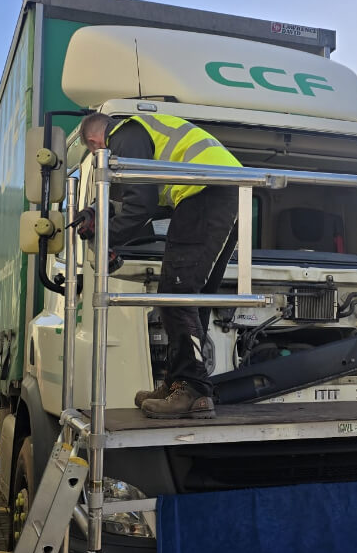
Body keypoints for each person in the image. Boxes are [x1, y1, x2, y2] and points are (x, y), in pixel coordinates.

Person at [76, 112, 241, 419]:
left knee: (175, 295)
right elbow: (148, 200)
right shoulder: (143, 135)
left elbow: (141, 205)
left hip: (205, 193)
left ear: (95, 143)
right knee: (191, 297)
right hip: (219, 191)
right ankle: (179, 383)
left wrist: (104, 238)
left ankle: (193, 390)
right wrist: (103, 214)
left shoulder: (124, 135)